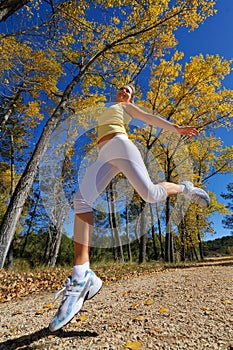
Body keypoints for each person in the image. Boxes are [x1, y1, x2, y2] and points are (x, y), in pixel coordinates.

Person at [49, 85, 210, 332]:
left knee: (151, 194)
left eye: (129, 91)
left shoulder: (125, 107)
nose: (125, 92)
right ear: (116, 93)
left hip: (121, 145)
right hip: (104, 154)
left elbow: (150, 118)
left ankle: (185, 188)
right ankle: (82, 275)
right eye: (122, 89)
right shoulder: (107, 108)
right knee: (81, 201)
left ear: (131, 98)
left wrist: (176, 129)